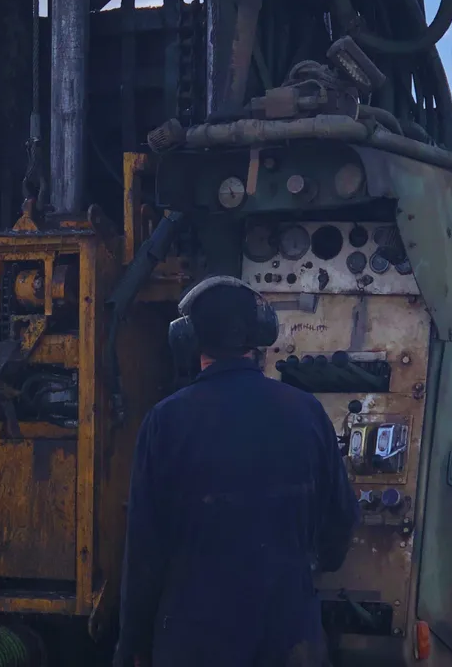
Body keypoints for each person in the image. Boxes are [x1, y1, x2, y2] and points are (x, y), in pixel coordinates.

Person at [114, 277, 359, 667]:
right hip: (289, 635)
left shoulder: (166, 421)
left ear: (188, 340)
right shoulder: (305, 411)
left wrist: (133, 645)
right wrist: (310, 564)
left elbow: (144, 552)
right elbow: (342, 519)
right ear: (258, 337)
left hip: (195, 640)